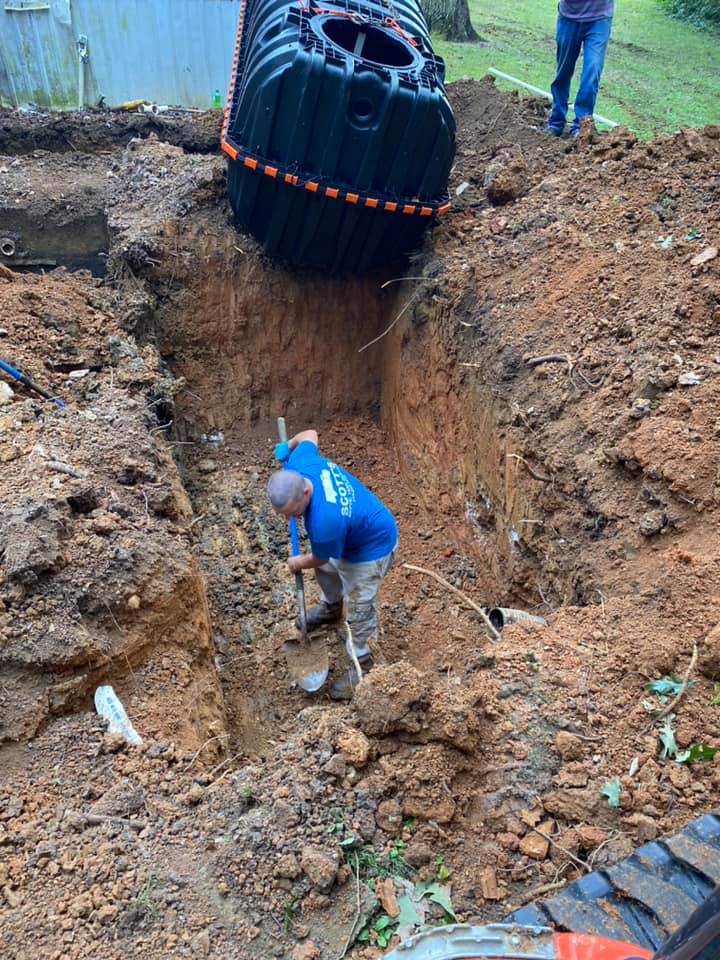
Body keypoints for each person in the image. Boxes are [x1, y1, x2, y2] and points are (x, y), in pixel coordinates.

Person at [267, 429, 398, 700]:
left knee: (358, 607)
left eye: (292, 513)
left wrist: (297, 562)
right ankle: (331, 609)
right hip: (349, 534)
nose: (289, 519)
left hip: (371, 548)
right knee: (327, 571)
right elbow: (310, 435)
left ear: (305, 491)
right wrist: (287, 445)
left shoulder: (325, 520)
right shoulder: (301, 464)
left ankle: (364, 663)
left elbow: (321, 556)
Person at [546, 0, 614, 138]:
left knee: (592, 70)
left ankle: (580, 125)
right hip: (569, 17)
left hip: (599, 19)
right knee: (563, 72)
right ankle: (556, 121)